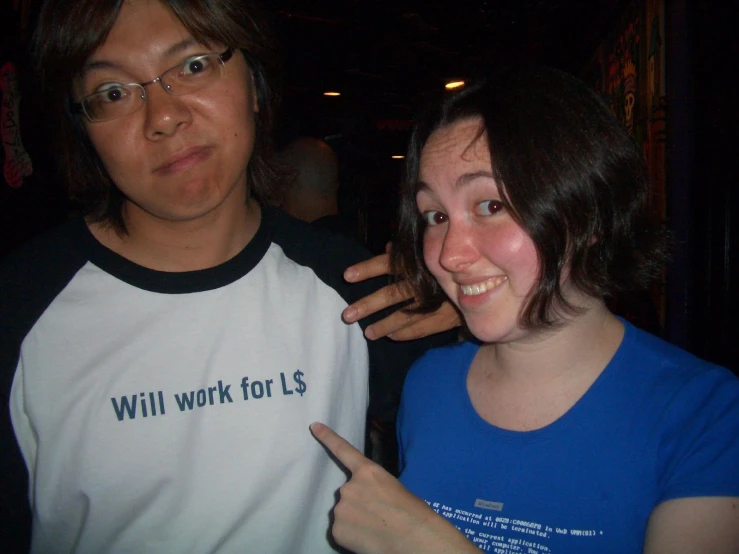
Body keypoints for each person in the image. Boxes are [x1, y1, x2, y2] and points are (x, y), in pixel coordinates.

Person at [0, 0, 458, 552]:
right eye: (114, 93)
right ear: (82, 129)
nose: (164, 116)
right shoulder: (19, 309)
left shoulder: (353, 288)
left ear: (256, 85)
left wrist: (476, 311)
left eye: (193, 66)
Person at [311, 67, 739, 553]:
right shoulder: (429, 383)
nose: (449, 254)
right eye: (437, 216)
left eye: (490, 206)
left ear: (589, 212)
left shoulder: (706, 413)